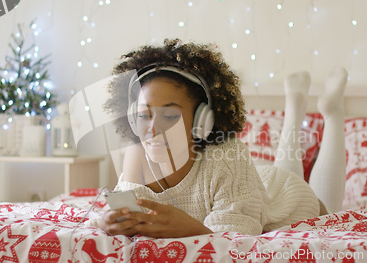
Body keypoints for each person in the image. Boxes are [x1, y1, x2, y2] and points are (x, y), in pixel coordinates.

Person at [96, 39, 347, 238]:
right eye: (143, 115)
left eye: (170, 115)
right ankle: (295, 103)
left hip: (282, 199)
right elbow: (126, 212)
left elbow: (237, 236)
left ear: (201, 121)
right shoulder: (137, 152)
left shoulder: (227, 153)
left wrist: (188, 227)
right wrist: (109, 220)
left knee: (331, 211)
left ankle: (332, 112)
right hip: (249, 184)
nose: (153, 128)